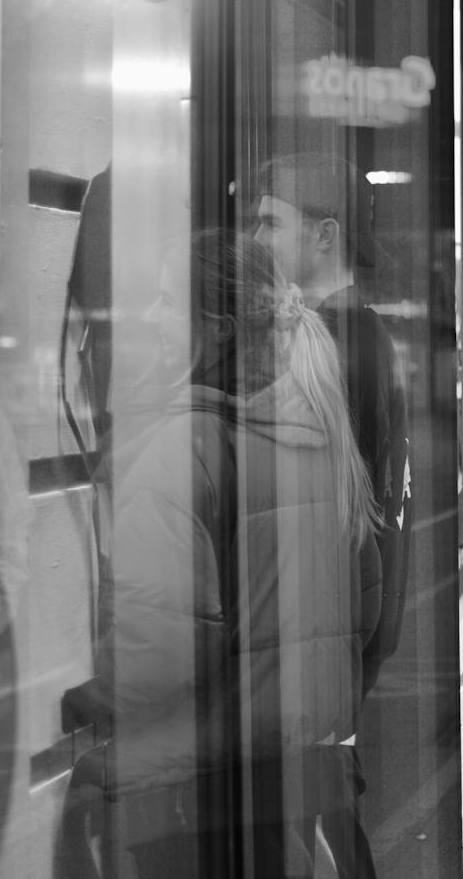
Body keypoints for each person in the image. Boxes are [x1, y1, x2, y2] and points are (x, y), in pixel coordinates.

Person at [105, 230, 381, 879]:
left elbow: (161, 659)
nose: (151, 318)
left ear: (220, 328)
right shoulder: (321, 430)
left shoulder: (183, 449)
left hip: (210, 797)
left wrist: (93, 696)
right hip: (314, 780)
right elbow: (364, 613)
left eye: (168, 303)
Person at [252, 152, 411, 692]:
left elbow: (343, 504)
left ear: (324, 235)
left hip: (330, 621)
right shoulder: (350, 331)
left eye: (271, 223)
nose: (256, 239)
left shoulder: (344, 342)